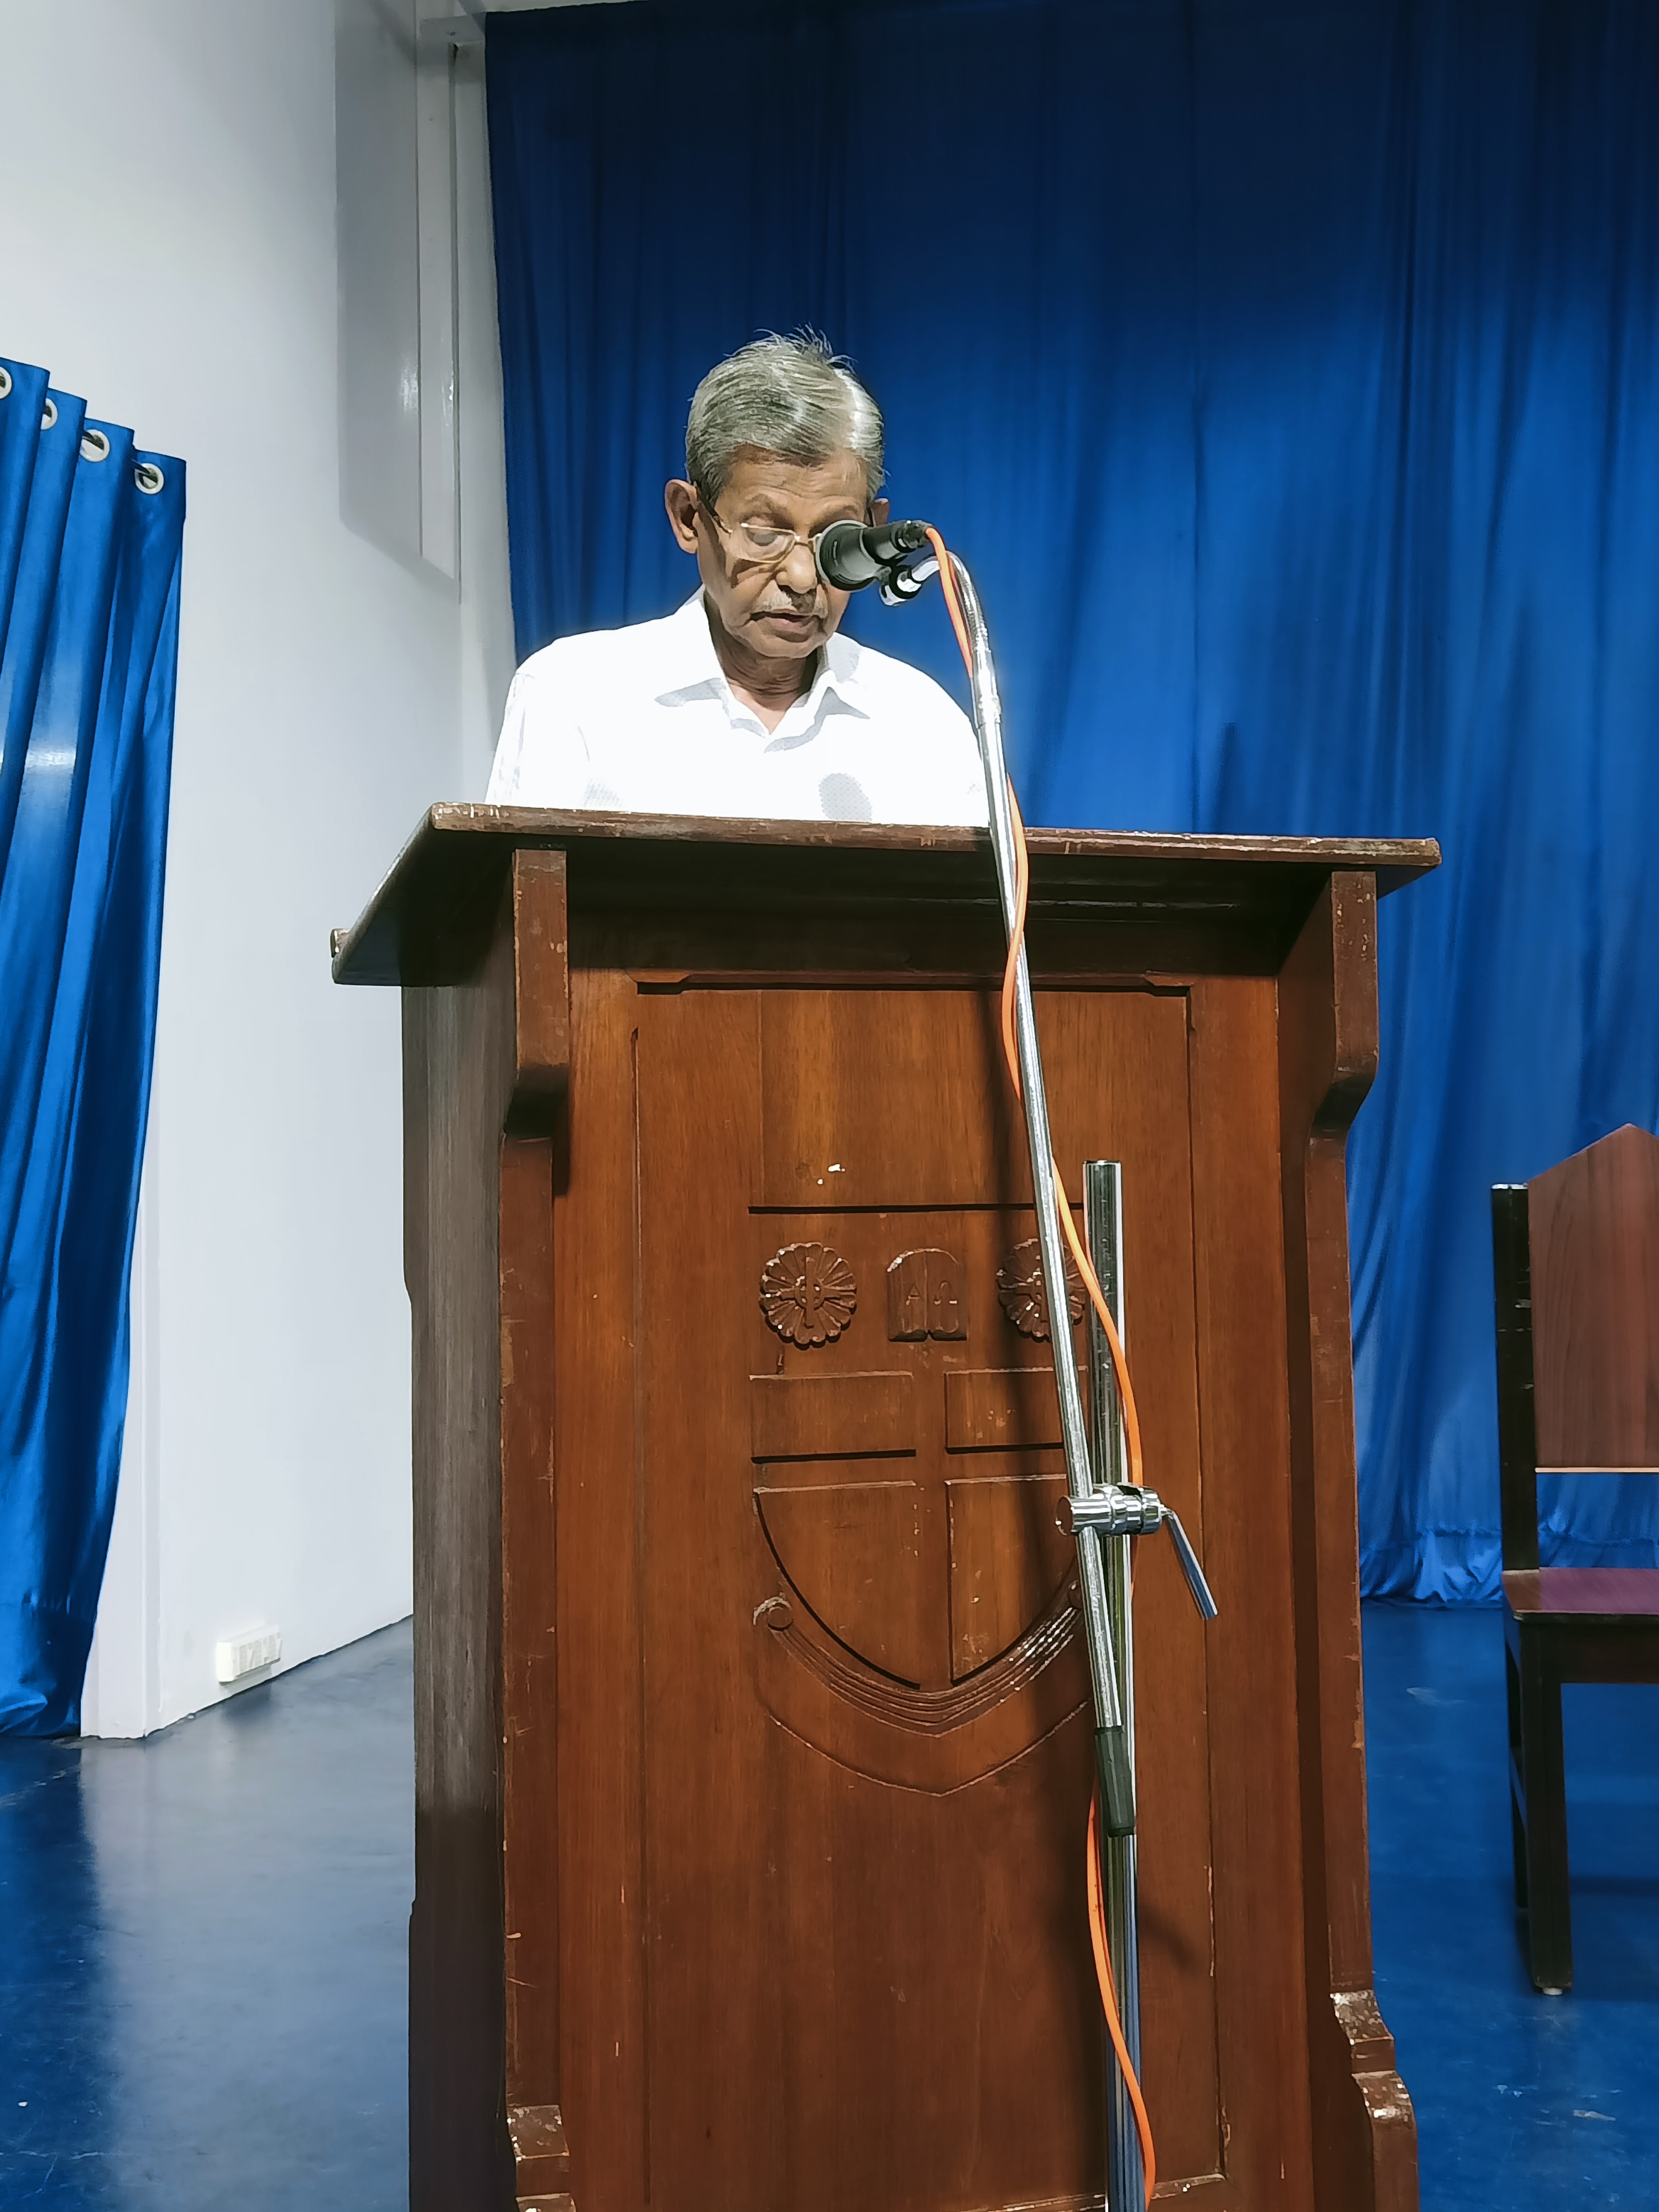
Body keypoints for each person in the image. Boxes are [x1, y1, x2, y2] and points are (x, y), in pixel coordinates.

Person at [484, 335, 987, 826]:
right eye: (764, 533)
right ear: (689, 518)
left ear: (873, 531)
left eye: (835, 538)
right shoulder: (572, 696)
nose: (801, 577)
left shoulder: (923, 724)